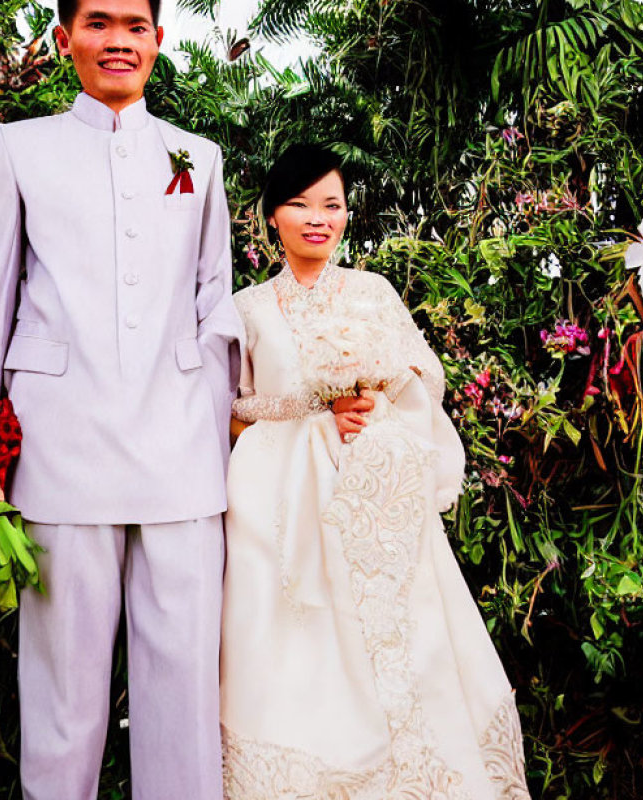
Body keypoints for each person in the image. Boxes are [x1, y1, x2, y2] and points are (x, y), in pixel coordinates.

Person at [0, 1, 242, 797]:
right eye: (99, 23)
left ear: (158, 42)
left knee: (185, 698)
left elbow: (216, 313)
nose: (119, 41)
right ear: (65, 38)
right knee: (64, 702)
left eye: (135, 26)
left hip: (181, 459)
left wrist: (211, 439)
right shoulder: (19, 149)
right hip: (58, 453)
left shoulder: (196, 157)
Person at [219, 144, 530, 799]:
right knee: (287, 644)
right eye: (299, 204)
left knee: (392, 639)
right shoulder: (245, 308)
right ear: (271, 216)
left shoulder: (372, 292)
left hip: (372, 494)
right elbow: (227, 412)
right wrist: (306, 403)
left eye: (330, 204)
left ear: (345, 215)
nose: (316, 218)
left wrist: (376, 394)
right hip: (278, 501)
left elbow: (424, 375)